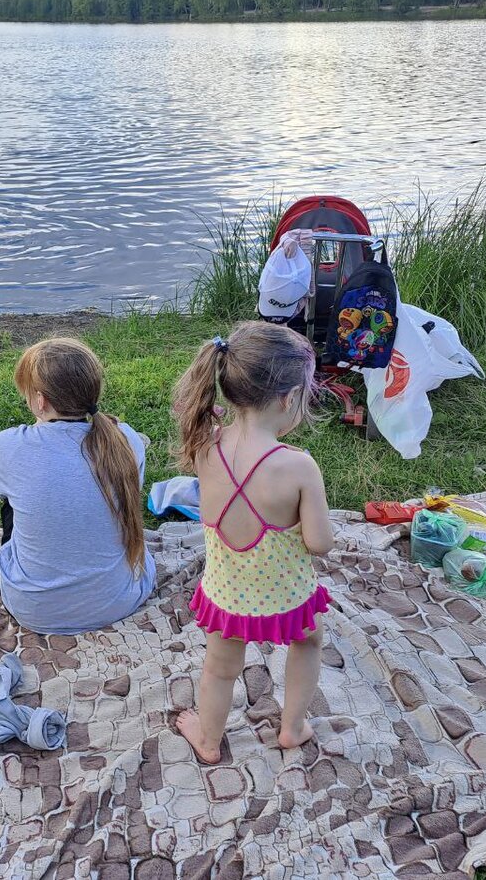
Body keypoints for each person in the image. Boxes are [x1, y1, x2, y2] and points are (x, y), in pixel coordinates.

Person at [171, 322, 334, 764]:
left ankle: (207, 740)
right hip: (287, 595)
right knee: (309, 643)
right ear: (286, 399)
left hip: (227, 594)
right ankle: (293, 728)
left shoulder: (205, 445)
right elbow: (320, 542)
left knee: (220, 670)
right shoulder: (298, 466)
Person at [0, 338, 155, 636]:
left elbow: (0, 491)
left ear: (39, 400)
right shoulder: (126, 440)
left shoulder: (7, 447)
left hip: (34, 610)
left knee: (12, 505)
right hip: (119, 601)